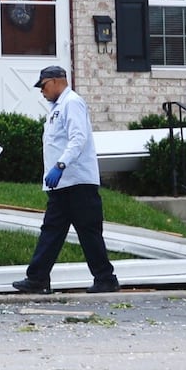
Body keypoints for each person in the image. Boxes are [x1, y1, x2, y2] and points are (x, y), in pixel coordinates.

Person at [13, 65, 120, 294]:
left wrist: (61, 165)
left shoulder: (71, 102)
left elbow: (78, 138)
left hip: (78, 181)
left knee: (88, 231)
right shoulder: (56, 108)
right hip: (63, 184)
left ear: (55, 81)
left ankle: (105, 279)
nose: (41, 92)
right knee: (51, 231)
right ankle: (38, 279)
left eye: (43, 86)